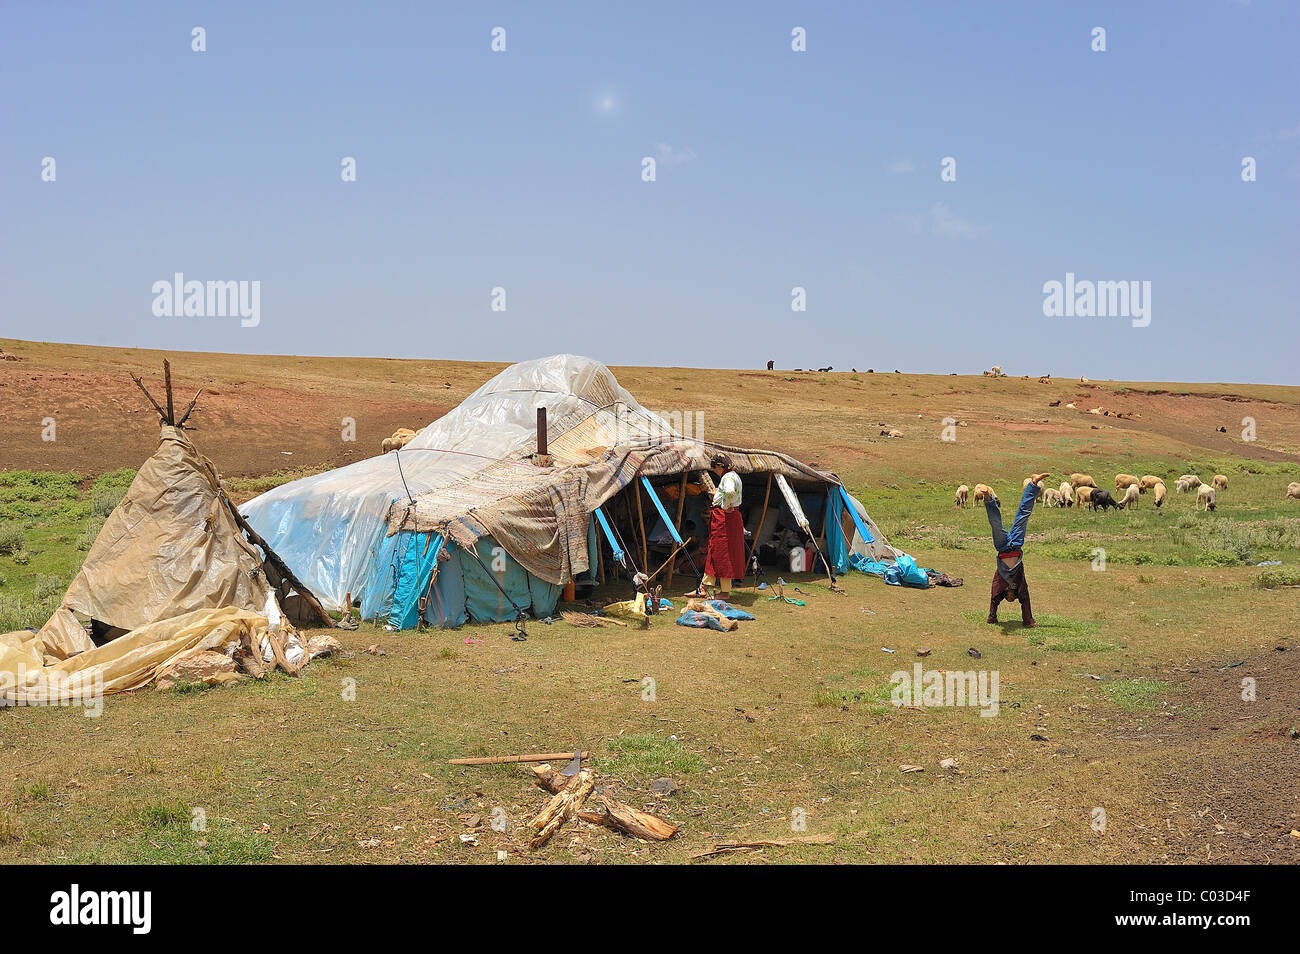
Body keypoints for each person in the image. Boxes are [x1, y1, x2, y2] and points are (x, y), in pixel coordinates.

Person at [985, 473, 1049, 628]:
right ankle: (1033, 484)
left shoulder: (999, 587)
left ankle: (987, 497)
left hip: (1002, 547)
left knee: (996, 524)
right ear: (1014, 597)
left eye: (1007, 598)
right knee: (1023, 515)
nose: (1009, 597)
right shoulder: (1020, 587)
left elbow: (994, 601)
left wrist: (992, 618)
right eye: (1011, 598)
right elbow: (1025, 600)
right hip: (1017, 543)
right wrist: (1028, 621)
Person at [693, 454, 745, 598]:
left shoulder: (727, 478)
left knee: (722, 553)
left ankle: (723, 592)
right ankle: (704, 587)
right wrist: (718, 493)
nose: (714, 470)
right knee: (717, 551)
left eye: (715, 467)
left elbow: (729, 492)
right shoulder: (734, 476)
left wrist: (725, 504)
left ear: (721, 466)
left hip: (725, 518)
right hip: (728, 518)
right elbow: (726, 492)